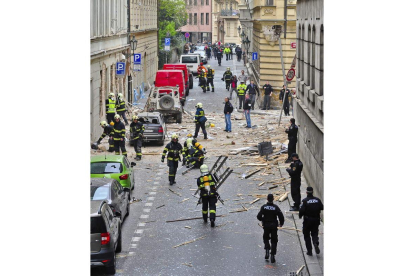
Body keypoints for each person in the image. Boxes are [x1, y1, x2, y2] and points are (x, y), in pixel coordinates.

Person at [257, 194, 284, 263]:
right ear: (273, 199)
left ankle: (267, 250)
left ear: (267, 199)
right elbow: (281, 216)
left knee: (265, 238)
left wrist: (262, 219)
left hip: (266, 225)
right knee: (274, 240)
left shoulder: (264, 207)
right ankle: (272, 255)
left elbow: (259, 216)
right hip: (274, 226)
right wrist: (281, 223)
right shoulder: (275, 207)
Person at [299, 187, 324, 256]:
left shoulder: (304, 201)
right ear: (312, 192)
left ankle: (309, 251)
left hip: (307, 220)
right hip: (316, 220)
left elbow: (301, 210)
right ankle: (315, 242)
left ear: (306, 192)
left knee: (306, 235)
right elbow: (322, 207)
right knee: (314, 233)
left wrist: (300, 216)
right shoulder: (317, 200)